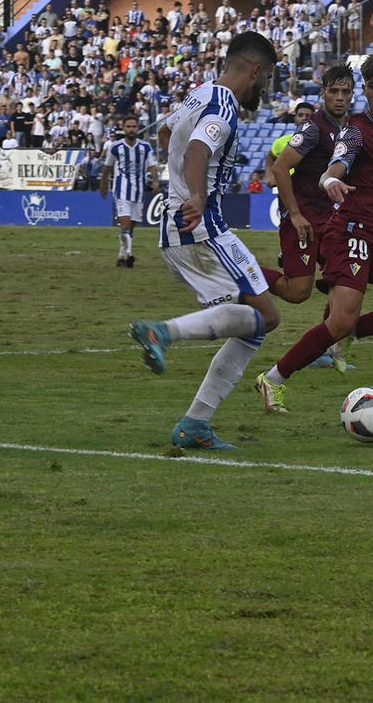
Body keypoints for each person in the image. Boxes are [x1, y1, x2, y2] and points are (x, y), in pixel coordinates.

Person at [252, 51, 373, 413]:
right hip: (350, 232)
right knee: (334, 318)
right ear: (365, 91)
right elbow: (334, 167)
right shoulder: (354, 131)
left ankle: (353, 331)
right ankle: (273, 378)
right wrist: (330, 181)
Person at [127, 31, 280, 451]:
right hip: (202, 227)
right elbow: (197, 149)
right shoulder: (223, 105)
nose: (264, 88)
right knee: (265, 317)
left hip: (184, 227)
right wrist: (195, 194)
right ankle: (162, 333)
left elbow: (168, 135)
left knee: (255, 324)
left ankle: (195, 423)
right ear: (255, 70)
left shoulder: (199, 93)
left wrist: (180, 186)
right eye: (267, 78)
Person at [263, 65, 356, 371]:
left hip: (333, 222)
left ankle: (327, 350)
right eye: (334, 91)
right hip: (303, 220)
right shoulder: (313, 128)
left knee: (345, 282)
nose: (340, 97)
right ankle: (240, 273)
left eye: (345, 92)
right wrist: (295, 214)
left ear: (352, 95)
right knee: (297, 292)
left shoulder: (351, 130)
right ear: (323, 93)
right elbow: (280, 168)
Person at [102, 115, 157, 269]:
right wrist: (103, 184)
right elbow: (107, 167)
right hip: (121, 190)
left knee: (131, 227)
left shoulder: (145, 147)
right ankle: (129, 254)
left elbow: (152, 165)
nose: (131, 129)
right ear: (123, 128)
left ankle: (121, 257)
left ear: (138, 128)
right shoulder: (116, 147)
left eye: (134, 126)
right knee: (125, 223)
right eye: (128, 127)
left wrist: (155, 181)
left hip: (139, 191)